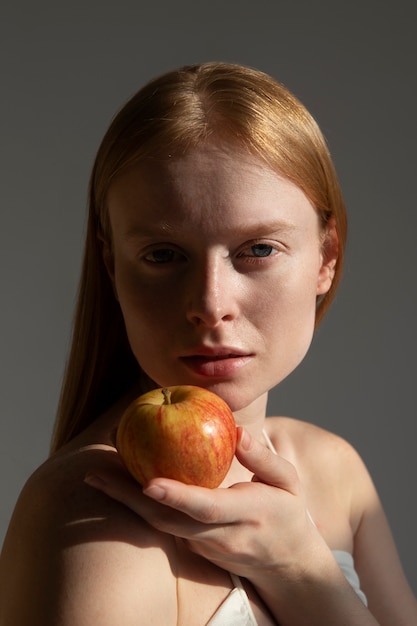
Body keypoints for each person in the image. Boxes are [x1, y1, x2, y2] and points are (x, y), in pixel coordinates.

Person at [0, 62, 415, 626]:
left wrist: (298, 567)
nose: (210, 302)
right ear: (112, 265)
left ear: (327, 258)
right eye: (165, 255)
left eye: (259, 249)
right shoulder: (91, 510)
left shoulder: (335, 471)